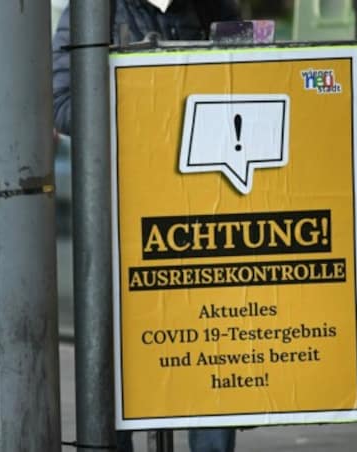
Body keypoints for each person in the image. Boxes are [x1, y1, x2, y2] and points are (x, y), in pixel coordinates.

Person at [52, 1, 241, 452]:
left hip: (203, 207)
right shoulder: (95, 9)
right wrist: (150, 103)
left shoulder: (212, 3)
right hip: (126, 214)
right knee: (122, 359)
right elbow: (61, 105)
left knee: (212, 341)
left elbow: (244, 79)